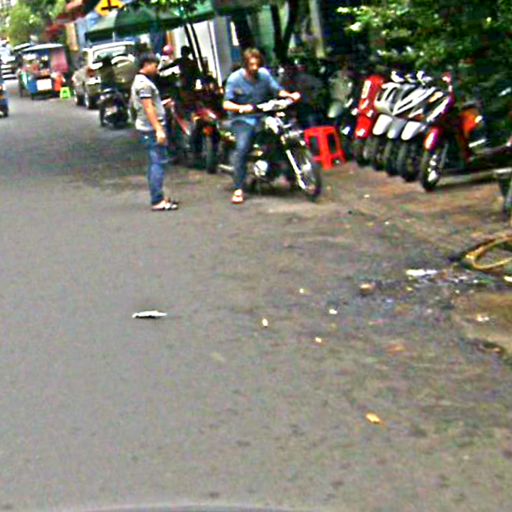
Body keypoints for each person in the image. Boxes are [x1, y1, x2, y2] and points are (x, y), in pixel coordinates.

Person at [223, 48, 300, 204]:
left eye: (257, 64)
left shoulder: (264, 75)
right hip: (243, 119)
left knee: (280, 137)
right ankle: (239, 188)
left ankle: (292, 178)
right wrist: (241, 108)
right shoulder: (234, 79)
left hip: (262, 116)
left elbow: (277, 90)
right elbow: (226, 103)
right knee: (243, 148)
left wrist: (290, 95)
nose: (255, 68)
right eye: (251, 65)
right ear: (245, 65)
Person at [130, 53, 178, 212]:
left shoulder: (141, 81)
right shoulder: (144, 84)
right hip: (150, 129)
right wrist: (158, 129)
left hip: (147, 127)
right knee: (158, 163)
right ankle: (157, 199)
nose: (157, 69)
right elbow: (148, 107)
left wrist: (162, 105)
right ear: (147, 65)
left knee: (155, 162)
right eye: (155, 66)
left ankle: (159, 196)